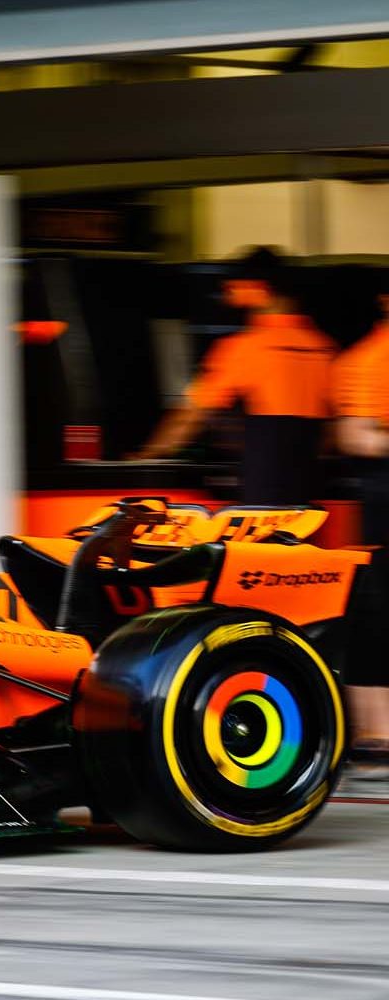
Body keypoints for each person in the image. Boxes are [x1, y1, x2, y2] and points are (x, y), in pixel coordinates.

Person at [131, 247, 337, 505]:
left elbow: (191, 415)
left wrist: (148, 454)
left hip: (263, 486)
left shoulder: (246, 347)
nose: (228, 289)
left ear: (259, 288)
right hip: (309, 486)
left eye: (236, 283)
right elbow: (331, 430)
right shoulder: (322, 346)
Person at [333, 279, 389, 771]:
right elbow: (356, 435)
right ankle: (377, 732)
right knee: (376, 606)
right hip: (383, 497)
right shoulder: (370, 359)